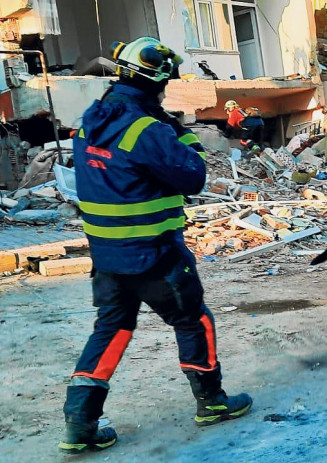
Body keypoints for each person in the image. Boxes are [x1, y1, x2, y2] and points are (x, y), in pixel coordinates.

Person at [60, 37, 252, 454]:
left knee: (110, 330)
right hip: (156, 255)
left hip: (107, 258)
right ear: (157, 81)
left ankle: (80, 423)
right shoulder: (148, 128)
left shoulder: (92, 119)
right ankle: (212, 402)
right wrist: (182, 134)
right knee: (192, 321)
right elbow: (193, 176)